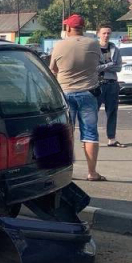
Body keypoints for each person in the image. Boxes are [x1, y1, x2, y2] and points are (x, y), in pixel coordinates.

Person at [50, 14, 105, 181]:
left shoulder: (59, 46)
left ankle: (66, 171)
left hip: (65, 93)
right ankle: (92, 172)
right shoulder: (93, 44)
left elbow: (53, 69)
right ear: (82, 27)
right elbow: (98, 64)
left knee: (66, 132)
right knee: (90, 133)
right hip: (88, 93)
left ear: (68, 28)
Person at [96, 24, 124, 147]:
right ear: (98, 34)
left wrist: (106, 66)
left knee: (112, 112)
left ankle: (111, 138)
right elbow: (93, 68)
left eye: (108, 33)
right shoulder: (93, 49)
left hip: (112, 84)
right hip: (97, 85)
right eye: (104, 33)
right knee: (92, 112)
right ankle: (90, 139)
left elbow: (118, 67)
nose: (106, 35)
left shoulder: (115, 49)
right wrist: (109, 65)